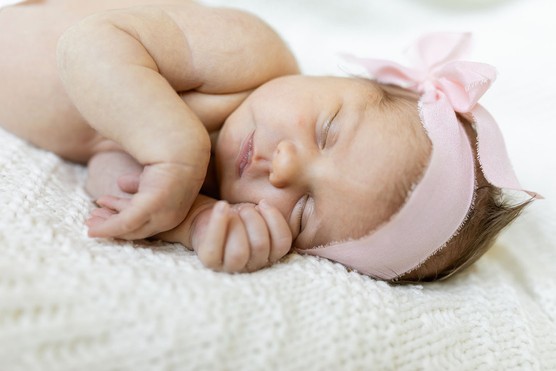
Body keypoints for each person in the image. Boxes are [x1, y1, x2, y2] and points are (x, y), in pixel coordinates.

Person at [0, 0, 538, 282]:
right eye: (327, 131)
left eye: (302, 211)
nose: (283, 167)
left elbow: (108, 168)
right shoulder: (248, 53)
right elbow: (89, 43)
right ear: (343, 81)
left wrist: (190, 219)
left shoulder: (210, 180)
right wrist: (176, 152)